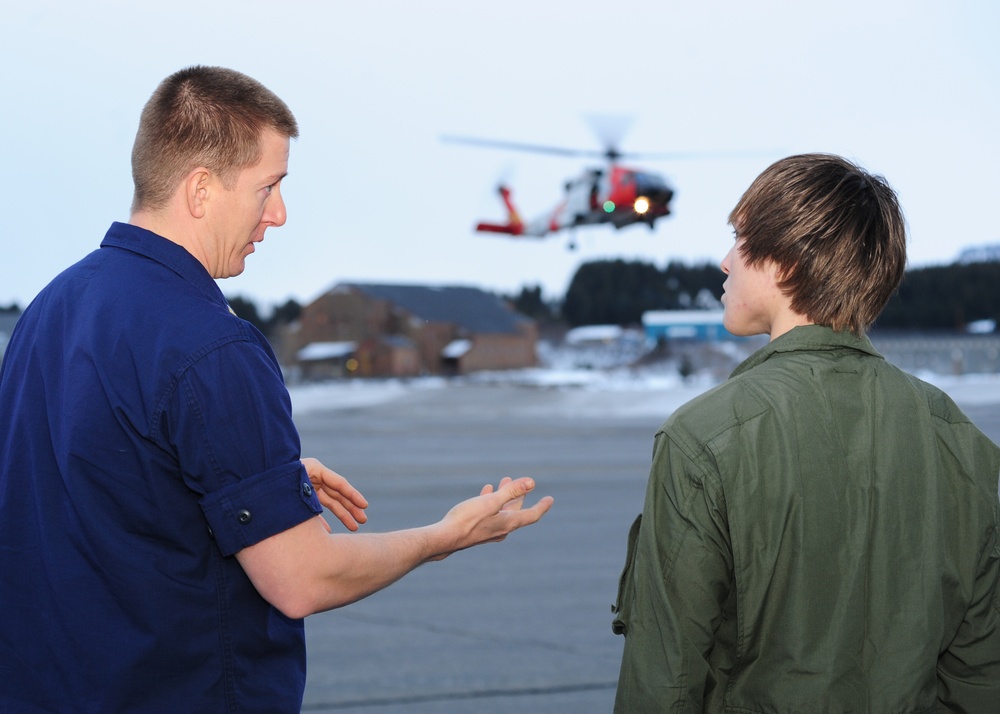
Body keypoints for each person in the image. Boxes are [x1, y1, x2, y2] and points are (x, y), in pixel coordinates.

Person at [0, 65, 553, 713]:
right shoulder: (212, 346)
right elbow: (301, 579)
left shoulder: (48, 310)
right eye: (269, 187)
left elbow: (91, 486)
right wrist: (444, 536)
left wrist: (255, 482)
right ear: (201, 189)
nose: (281, 215)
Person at [612, 153, 1000, 712]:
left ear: (788, 264)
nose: (725, 262)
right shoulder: (960, 440)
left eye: (741, 240)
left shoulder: (703, 439)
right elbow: (981, 677)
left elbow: (663, 682)